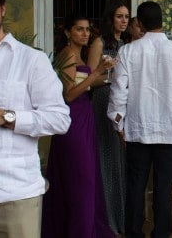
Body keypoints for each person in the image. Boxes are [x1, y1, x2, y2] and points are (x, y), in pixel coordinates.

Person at [0, 0, 71, 237]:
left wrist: (5, 117)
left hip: (14, 196)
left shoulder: (31, 60)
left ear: (2, 8)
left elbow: (59, 119)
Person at [107, 1, 172, 238]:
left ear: (139, 23)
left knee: (136, 186)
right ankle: (161, 233)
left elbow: (118, 94)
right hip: (170, 132)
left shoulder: (128, 51)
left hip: (137, 130)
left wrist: (118, 124)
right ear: (162, 21)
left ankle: (134, 233)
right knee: (163, 186)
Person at [42, 13, 116, 237]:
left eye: (87, 29)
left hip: (85, 117)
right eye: (79, 29)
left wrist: (109, 75)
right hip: (73, 121)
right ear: (67, 32)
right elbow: (69, 95)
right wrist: (97, 73)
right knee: (80, 178)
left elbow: (85, 85)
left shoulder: (78, 57)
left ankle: (84, 227)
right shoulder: (67, 56)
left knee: (86, 176)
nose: (85, 34)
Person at [87, 1, 130, 235]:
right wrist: (108, 76)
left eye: (126, 16)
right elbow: (90, 80)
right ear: (110, 19)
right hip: (102, 101)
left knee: (120, 157)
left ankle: (120, 217)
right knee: (106, 156)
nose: (123, 20)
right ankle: (107, 219)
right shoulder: (99, 43)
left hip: (121, 104)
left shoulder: (125, 44)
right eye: (119, 16)